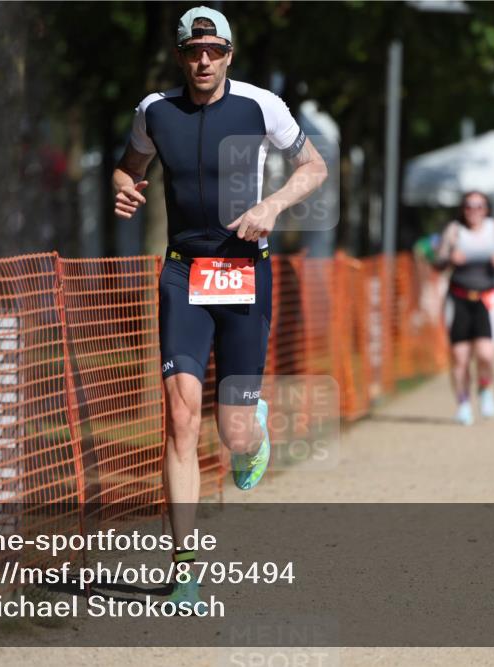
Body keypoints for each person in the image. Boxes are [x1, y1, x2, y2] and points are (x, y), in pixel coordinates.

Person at [113, 6, 327, 605]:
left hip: (241, 273)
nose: (203, 60)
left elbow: (315, 166)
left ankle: (250, 433)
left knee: (230, 429)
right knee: (179, 416)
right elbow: (128, 169)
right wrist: (122, 188)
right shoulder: (154, 111)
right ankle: (183, 566)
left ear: (230, 53)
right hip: (183, 275)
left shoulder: (261, 106)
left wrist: (273, 206)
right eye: (192, 51)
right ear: (180, 56)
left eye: (213, 50)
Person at [433, 191, 494, 426]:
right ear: (463, 208)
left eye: (479, 206)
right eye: (469, 206)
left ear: (486, 209)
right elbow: (437, 262)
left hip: (487, 298)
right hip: (459, 297)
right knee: (459, 358)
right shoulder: (454, 230)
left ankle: (485, 388)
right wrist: (450, 257)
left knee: (486, 355)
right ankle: (462, 403)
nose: (474, 211)